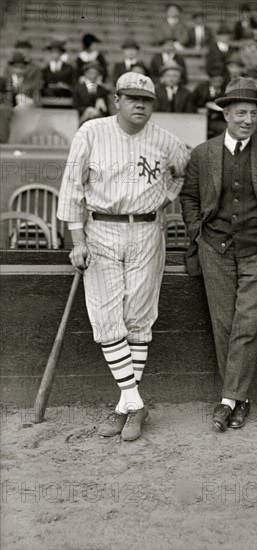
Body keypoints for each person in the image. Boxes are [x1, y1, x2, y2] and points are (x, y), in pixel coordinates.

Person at [56, 72, 190, 441]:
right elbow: (72, 186)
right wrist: (77, 239)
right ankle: (135, 401)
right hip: (100, 229)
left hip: (147, 230)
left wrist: (165, 197)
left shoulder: (166, 139)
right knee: (105, 316)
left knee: (138, 317)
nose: (140, 105)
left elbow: (183, 171)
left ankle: (124, 406)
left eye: (147, 100)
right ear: (117, 100)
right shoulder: (91, 132)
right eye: (133, 99)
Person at [180, 77, 257, 432]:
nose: (248, 119)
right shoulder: (203, 153)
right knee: (225, 323)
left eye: (253, 113)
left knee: (248, 324)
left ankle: (227, 400)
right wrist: (195, 229)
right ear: (226, 114)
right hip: (215, 248)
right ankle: (239, 399)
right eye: (241, 113)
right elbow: (188, 197)